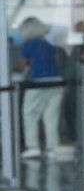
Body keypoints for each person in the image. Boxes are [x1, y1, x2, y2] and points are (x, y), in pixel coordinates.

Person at [16, 17, 66, 160]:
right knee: (51, 117)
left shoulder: (29, 44)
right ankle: (52, 148)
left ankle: (33, 147)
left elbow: (21, 65)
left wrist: (12, 71)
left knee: (29, 113)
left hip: (40, 82)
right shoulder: (48, 44)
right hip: (57, 81)